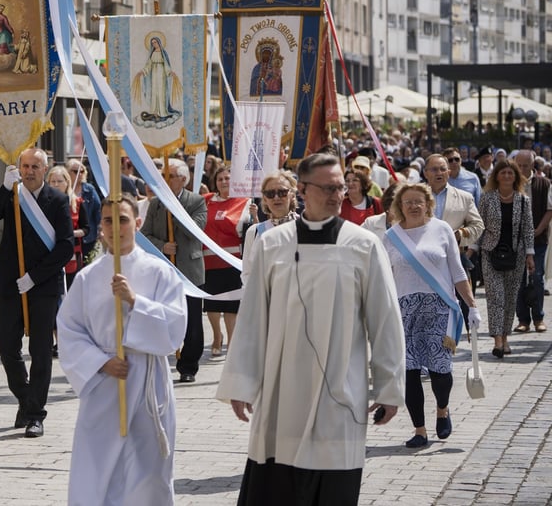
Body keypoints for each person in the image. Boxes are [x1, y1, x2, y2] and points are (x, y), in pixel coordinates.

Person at [216, 153, 406, 506]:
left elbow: (385, 320)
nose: (338, 195)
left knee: (333, 484)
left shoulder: (363, 245)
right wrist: (241, 382)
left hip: (340, 388)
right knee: (276, 485)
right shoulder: (272, 245)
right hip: (281, 389)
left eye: (341, 187)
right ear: (302, 189)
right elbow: (253, 318)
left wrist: (389, 387)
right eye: (328, 187)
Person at [57, 194, 187, 505]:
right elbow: (69, 330)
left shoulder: (159, 272)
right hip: (105, 384)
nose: (116, 228)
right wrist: (100, 362)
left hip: (146, 382)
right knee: (99, 469)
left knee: (148, 471)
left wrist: (135, 302)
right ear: (100, 227)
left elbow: (175, 327)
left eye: (123, 220)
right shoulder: (88, 278)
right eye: (108, 221)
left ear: (138, 224)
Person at [0, 147, 74, 438]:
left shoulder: (57, 200)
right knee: (6, 346)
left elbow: (66, 246)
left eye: (35, 166)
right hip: (10, 282)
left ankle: (35, 414)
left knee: (41, 351)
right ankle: (25, 397)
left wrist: (35, 277)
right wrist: (4, 190)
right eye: (25, 166)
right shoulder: (12, 195)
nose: (29, 171)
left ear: (45, 169)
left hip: (42, 286)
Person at [381, 183, 480, 449]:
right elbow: (384, 279)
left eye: (418, 201)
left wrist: (472, 305)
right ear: (399, 207)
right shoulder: (390, 237)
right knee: (410, 371)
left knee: (440, 369)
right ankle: (420, 430)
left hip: (439, 308)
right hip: (404, 312)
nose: (413, 206)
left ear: (428, 203)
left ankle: (443, 409)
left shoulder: (442, 229)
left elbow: (458, 272)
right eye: (407, 202)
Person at [140, 158, 207, 383]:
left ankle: (188, 366)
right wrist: (162, 246)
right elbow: (145, 234)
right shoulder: (155, 204)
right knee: (162, 317)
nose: (165, 180)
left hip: (189, 270)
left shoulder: (196, 201)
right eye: (163, 176)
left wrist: (174, 209)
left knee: (193, 322)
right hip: (164, 271)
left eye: (169, 176)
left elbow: (196, 230)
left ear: (183, 179)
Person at [470, 160, 535, 359]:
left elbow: (528, 229)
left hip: (516, 255)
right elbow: (479, 225)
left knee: (510, 298)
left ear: (515, 176)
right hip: (491, 253)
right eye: (503, 173)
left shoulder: (523, 200)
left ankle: (505, 337)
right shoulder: (487, 198)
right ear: (496, 176)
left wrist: (530, 255)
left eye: (510, 173)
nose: (507, 176)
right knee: (496, 297)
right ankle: (498, 340)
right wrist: (473, 249)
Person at [424, 154, 485, 327]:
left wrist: (460, 234)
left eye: (443, 169)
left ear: (449, 172)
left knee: (462, 305)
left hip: (454, 258)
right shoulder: (415, 195)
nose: (439, 173)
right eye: (434, 169)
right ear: (426, 173)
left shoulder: (464, 197)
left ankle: (461, 337)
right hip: (422, 260)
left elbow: (478, 226)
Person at [201, 166, 252, 356]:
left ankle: (232, 341)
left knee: (231, 304)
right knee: (212, 303)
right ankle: (216, 336)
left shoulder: (245, 202)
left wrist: (253, 216)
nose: (224, 182)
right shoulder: (205, 201)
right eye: (220, 179)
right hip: (208, 260)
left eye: (228, 178)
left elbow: (248, 231)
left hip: (232, 260)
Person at [513, 150, 549, 333]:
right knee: (518, 278)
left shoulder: (543, 184)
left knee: (537, 277)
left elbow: (549, 210)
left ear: (532, 165)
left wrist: (538, 230)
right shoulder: (510, 183)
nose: (521, 169)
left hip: (538, 238)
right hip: (515, 240)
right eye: (518, 165)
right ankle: (523, 320)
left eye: (525, 165)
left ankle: (538, 317)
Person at [47, 165, 86, 289]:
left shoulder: (78, 203)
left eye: (59, 181)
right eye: (53, 181)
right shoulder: (42, 204)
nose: (56, 185)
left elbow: (86, 229)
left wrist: (69, 233)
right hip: (49, 253)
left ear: (67, 182)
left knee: (71, 288)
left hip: (72, 253)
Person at [66, 158, 102, 258]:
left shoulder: (89, 190)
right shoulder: (64, 189)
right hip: (68, 238)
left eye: (82, 171)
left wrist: (101, 230)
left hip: (87, 238)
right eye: (76, 171)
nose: (80, 174)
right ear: (67, 173)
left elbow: (98, 210)